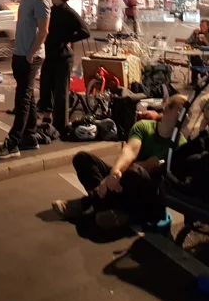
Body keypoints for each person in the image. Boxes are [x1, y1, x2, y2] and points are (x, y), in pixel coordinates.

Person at [52, 95, 188, 228]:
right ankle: (115, 209)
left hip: (146, 191)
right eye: (182, 110)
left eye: (189, 114)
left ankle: (86, 203)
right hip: (125, 180)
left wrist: (113, 177)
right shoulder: (144, 126)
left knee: (135, 172)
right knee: (82, 158)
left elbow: (151, 168)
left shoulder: (180, 144)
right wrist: (114, 173)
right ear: (167, 109)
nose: (186, 117)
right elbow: (130, 151)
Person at [0, 0, 51, 159]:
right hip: (20, 54)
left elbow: (44, 31)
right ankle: (30, 137)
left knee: (22, 99)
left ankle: (13, 142)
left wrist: (30, 54)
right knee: (29, 98)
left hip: (30, 56)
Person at [39, 0, 89, 134]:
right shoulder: (51, 10)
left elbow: (84, 31)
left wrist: (67, 38)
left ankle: (61, 125)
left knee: (61, 92)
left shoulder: (68, 12)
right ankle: (46, 119)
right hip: (49, 55)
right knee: (46, 87)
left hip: (63, 57)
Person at [185, 19, 209, 86]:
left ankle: (195, 80)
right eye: (200, 26)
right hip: (195, 53)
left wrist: (205, 40)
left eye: (203, 26)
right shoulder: (197, 33)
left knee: (195, 60)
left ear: (208, 26)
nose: (201, 28)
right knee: (194, 58)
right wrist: (193, 35)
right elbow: (187, 42)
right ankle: (200, 75)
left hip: (205, 55)